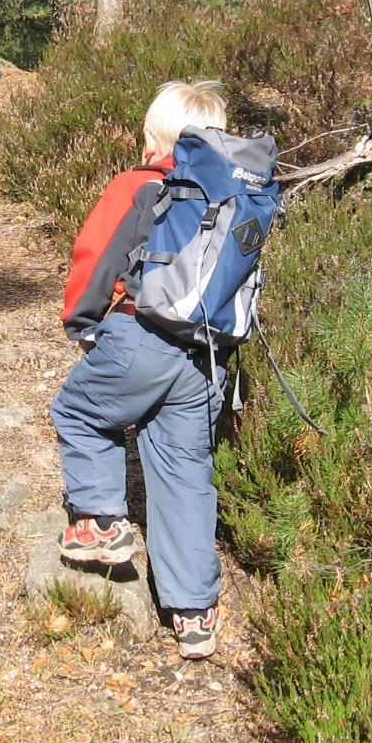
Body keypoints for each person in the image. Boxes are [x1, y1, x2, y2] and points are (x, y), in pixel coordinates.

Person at [50, 80, 229, 661]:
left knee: (77, 410)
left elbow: (95, 258)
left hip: (140, 336)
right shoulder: (228, 198)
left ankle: (101, 523)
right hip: (206, 357)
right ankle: (194, 611)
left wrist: (81, 322)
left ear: (156, 136)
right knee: (184, 472)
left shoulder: (139, 186)